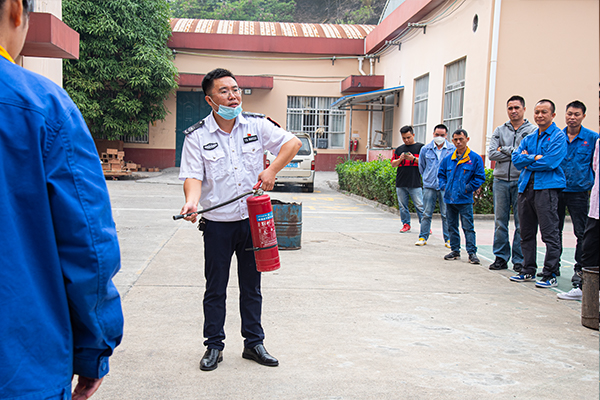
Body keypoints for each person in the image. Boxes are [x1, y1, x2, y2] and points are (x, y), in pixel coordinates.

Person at [0, 0, 124, 399]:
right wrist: (93, 350)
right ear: (16, 9)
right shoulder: (43, 106)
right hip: (20, 367)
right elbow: (88, 245)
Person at [178, 68, 301, 371]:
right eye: (224, 91)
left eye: (235, 89)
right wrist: (191, 202)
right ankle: (214, 346)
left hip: (251, 222)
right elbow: (193, 176)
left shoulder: (256, 125)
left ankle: (254, 343)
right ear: (210, 100)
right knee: (215, 288)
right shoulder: (197, 136)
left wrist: (272, 170)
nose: (233, 96)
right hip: (217, 224)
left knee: (252, 286)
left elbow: (292, 143)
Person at [510, 99, 567, 288]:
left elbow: (550, 162)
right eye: (537, 112)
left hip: (546, 189)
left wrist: (527, 160)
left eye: (544, 112)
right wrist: (534, 157)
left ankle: (550, 273)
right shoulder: (530, 137)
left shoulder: (558, 137)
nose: (540, 115)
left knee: (549, 233)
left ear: (553, 115)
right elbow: (516, 159)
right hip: (526, 188)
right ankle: (527, 270)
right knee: (526, 232)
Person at [487, 96, 536, 272]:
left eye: (516, 107)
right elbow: (492, 154)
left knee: (522, 223)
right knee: (500, 221)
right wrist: (517, 154)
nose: (513, 111)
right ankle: (500, 257)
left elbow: (529, 155)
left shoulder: (532, 131)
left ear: (524, 109)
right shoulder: (500, 130)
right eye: (510, 108)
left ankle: (519, 259)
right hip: (500, 180)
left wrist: (505, 150)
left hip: (521, 180)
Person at [554, 101, 599, 287]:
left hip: (579, 192)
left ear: (583, 116)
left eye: (576, 114)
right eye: (569, 114)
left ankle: (579, 270)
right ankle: (553, 266)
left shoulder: (593, 138)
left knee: (582, 232)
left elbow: (595, 166)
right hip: (557, 190)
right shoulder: (557, 136)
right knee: (554, 230)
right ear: (565, 115)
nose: (572, 118)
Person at [438, 129, 486, 264]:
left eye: (461, 139)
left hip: (464, 199)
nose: (458, 142)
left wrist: (467, 188)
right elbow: (441, 174)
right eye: (455, 139)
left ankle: (472, 253)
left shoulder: (474, 158)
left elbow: (479, 177)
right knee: (451, 225)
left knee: (468, 227)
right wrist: (444, 186)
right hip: (449, 198)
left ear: (467, 139)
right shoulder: (448, 159)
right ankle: (455, 250)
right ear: (452, 141)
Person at [417, 124, 455, 247]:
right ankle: (423, 237)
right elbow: (422, 167)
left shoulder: (452, 149)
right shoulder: (426, 149)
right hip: (429, 186)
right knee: (426, 213)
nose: (439, 137)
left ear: (446, 135)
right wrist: (427, 178)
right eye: (437, 134)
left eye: (442, 135)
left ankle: (448, 239)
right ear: (433, 134)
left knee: (446, 214)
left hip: (445, 186)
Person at [391, 125, 424, 234]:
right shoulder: (399, 149)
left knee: (420, 205)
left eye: (408, 137)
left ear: (413, 135)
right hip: (401, 182)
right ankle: (406, 224)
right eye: (404, 138)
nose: (406, 140)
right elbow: (393, 164)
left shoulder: (421, 148)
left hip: (415, 182)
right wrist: (400, 159)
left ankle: (425, 225)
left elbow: (425, 162)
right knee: (402, 206)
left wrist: (413, 159)